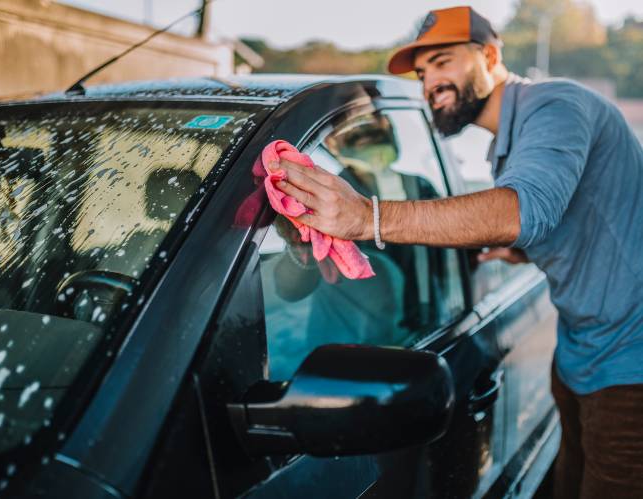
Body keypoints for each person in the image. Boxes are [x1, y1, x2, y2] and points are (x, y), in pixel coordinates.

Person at [270, 6, 643, 499]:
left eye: (444, 62)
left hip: (629, 368)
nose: (430, 85)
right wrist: (526, 253)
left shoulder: (555, 105)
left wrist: (367, 217)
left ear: (489, 55)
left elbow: (521, 212)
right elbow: (584, 217)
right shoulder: (508, 142)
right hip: (578, 355)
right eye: (423, 73)